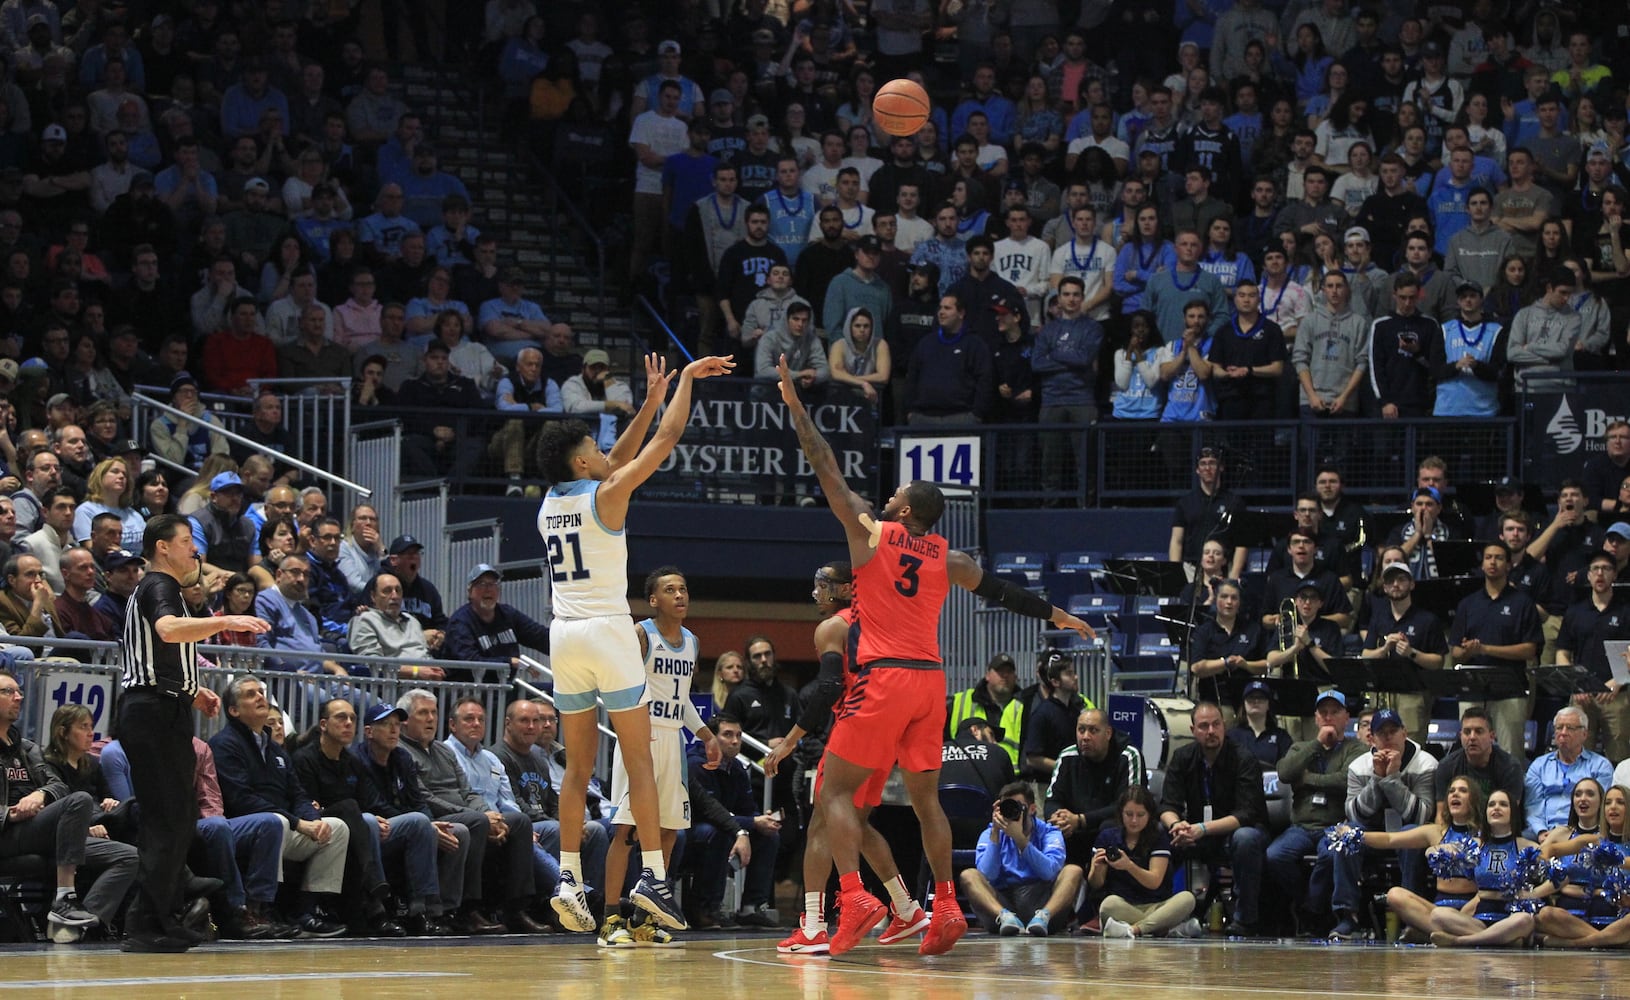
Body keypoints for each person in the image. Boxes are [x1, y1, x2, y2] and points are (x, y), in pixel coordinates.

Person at [774, 354, 1093, 955]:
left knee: (832, 795)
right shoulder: (951, 559)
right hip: (932, 682)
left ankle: (858, 896)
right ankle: (943, 904)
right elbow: (1004, 592)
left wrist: (796, 409)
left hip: (885, 677)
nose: (888, 495)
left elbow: (826, 467)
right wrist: (1058, 615)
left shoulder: (871, 536)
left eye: (895, 493)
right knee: (926, 801)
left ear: (903, 511)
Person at [535, 352, 733, 932]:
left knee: (577, 767)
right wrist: (685, 384)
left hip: (563, 636)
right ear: (580, 460)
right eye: (594, 449)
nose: (605, 453)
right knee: (641, 757)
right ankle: (653, 876)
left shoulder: (552, 502)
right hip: (607, 631)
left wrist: (649, 396)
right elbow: (666, 438)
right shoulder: (608, 496)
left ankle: (569, 876)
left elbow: (617, 457)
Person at [111, 514, 267, 951]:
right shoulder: (160, 586)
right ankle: (148, 924)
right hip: (152, 713)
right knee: (168, 821)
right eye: (185, 542)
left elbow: (159, 651)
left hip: (161, 707)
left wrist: (192, 690)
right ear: (162, 547)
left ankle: (158, 916)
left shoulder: (159, 588)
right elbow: (166, 630)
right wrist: (224, 622)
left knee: (175, 820)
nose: (195, 551)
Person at [764, 560, 931, 953]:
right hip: (889, 732)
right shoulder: (884, 621)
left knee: (823, 821)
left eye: (821, 585)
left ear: (841, 589)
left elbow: (828, 688)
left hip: (855, 725)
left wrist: (789, 741)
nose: (815, 593)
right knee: (853, 823)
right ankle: (906, 908)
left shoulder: (833, 627)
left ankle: (814, 925)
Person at [597, 567, 721, 947]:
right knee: (627, 830)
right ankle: (609, 918)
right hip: (640, 741)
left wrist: (705, 733)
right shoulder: (640, 634)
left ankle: (642, 918)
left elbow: (681, 699)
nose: (680, 596)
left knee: (669, 831)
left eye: (683, 589)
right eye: (670, 590)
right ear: (654, 600)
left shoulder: (693, 642)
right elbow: (616, 687)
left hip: (673, 743)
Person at [1157, 700, 1269, 935]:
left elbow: (1247, 814)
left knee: (1245, 838)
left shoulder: (1243, 758)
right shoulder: (1182, 757)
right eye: (1204, 726)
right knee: (1158, 834)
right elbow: (1167, 804)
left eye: (1216, 724)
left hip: (1235, 830)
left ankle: (1245, 919)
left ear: (1224, 726)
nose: (1211, 731)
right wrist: (1177, 825)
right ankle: (1158, 913)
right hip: (1195, 831)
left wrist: (1203, 828)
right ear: (1193, 731)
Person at [1264, 690, 1366, 929]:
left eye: (1335, 712)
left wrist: (1308, 779)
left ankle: (1312, 910)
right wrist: (1318, 744)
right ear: (1316, 718)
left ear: (1346, 717)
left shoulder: (1356, 749)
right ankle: (1307, 903)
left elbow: (1346, 781)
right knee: (1275, 856)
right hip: (1300, 826)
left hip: (1335, 825)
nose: (1329, 717)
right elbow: (1285, 773)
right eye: (1323, 713)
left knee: (1330, 855)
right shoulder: (1301, 748)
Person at [1452, 541, 1543, 757]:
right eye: (1488, 557)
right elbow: (1455, 651)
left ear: (1509, 565)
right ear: (1482, 564)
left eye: (1499, 558)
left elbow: (1531, 649)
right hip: (1472, 687)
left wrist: (1486, 649)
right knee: (1470, 751)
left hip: (1510, 688)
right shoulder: (1468, 604)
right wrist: (1468, 652)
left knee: (1511, 752)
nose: (1493, 562)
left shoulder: (1523, 603)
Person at [959, 781, 1082, 937]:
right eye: (1007, 806)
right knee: (969, 875)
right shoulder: (990, 833)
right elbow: (987, 875)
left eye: (1017, 806)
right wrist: (996, 835)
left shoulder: (1050, 833)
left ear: (1032, 809)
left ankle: (1043, 917)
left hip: (1040, 901)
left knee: (1073, 871)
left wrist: (1020, 840)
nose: (1013, 811)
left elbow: (1049, 872)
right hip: (1002, 904)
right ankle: (1006, 918)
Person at [1093, 786, 1201, 939]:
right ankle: (1163, 927)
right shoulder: (1108, 837)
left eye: (1140, 815)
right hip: (1125, 905)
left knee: (1187, 899)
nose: (1134, 820)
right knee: (1108, 905)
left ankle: (1134, 930)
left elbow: (1154, 881)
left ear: (1149, 815)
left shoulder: (1158, 837)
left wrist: (1129, 865)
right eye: (1129, 814)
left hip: (1157, 905)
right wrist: (1096, 868)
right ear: (1121, 814)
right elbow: (1096, 884)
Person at [1044, 708, 1145, 867]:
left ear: (1108, 733)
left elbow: (1127, 806)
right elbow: (1052, 800)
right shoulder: (1067, 756)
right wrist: (1059, 819)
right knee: (1050, 829)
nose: (1085, 737)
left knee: (1109, 828)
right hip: (1074, 829)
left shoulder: (1128, 756)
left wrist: (1081, 820)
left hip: (1108, 830)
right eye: (1081, 730)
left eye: (1093, 731)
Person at [444, 564, 551, 684]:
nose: (488, 589)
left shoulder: (507, 614)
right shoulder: (460, 622)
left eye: (493, 584)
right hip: (470, 691)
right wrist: (509, 662)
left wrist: (567, 646)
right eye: (481, 584)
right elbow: (470, 661)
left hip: (504, 686)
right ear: (470, 592)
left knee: (551, 694)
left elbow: (539, 636)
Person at [1524, 705, 1614, 839]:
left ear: (1584, 734)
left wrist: (1570, 833)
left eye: (1570, 728)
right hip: (1542, 833)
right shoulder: (1539, 765)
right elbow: (1533, 804)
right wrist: (1541, 831)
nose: (1563, 732)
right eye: (1559, 728)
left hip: (1583, 832)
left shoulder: (1600, 766)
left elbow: (1599, 808)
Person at [1434, 706, 1526, 812]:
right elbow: (1441, 815)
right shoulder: (1446, 766)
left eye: (1479, 731)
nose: (1472, 737)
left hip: (1496, 825)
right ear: (1461, 736)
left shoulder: (1510, 767)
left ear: (1492, 736)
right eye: (1467, 732)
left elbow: (1509, 815)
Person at [1228, 680, 1294, 766]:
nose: (1256, 701)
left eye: (1261, 697)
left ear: (1268, 705)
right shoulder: (1232, 736)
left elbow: (1289, 768)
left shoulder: (1281, 736)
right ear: (1244, 704)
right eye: (1251, 697)